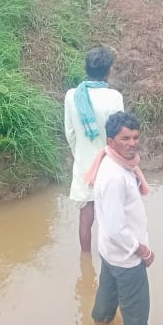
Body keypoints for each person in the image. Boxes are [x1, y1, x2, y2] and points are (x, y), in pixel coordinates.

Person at [83, 111, 154, 325]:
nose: (132, 143)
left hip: (110, 253)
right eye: (125, 139)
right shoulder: (116, 177)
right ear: (111, 141)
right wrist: (142, 250)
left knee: (104, 311)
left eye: (135, 137)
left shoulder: (111, 161)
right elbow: (116, 227)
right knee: (136, 323)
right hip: (127, 259)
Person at [64, 46, 124, 253]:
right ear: (108, 71)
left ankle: (86, 261)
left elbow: (70, 133)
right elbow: (119, 135)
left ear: (86, 68)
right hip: (109, 162)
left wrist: (79, 155)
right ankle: (111, 255)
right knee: (111, 213)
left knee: (86, 217)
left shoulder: (72, 96)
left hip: (83, 163)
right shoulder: (114, 97)